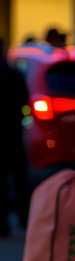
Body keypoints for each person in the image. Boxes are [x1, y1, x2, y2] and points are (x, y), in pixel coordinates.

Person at [0, 38, 29, 234]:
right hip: (12, 132)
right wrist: (22, 119)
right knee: (19, 177)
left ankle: (2, 224)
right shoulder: (14, 74)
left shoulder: (13, 74)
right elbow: (25, 103)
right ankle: (25, 219)